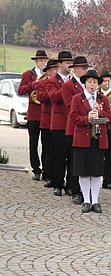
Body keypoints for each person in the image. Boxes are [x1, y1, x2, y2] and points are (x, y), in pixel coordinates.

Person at [70, 70, 111, 213]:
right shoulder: (77, 98)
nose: (92, 84)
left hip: (98, 139)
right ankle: (86, 200)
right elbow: (74, 117)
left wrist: (100, 113)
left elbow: (109, 117)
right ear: (85, 83)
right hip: (83, 138)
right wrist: (87, 118)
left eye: (94, 82)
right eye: (89, 82)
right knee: (84, 171)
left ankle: (95, 201)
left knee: (96, 171)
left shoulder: (103, 99)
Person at [61, 56, 89, 205]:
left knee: (86, 160)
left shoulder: (90, 85)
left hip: (90, 128)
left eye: (86, 68)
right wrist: (88, 115)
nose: (85, 70)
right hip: (75, 127)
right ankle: (74, 189)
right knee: (74, 160)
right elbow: (69, 107)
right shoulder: (68, 86)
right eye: (82, 68)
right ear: (74, 69)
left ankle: (87, 190)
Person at [18, 49, 49, 181]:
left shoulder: (49, 75)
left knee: (47, 144)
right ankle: (36, 169)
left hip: (46, 113)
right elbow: (21, 90)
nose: (42, 63)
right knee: (33, 143)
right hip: (34, 113)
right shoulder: (28, 74)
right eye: (40, 60)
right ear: (36, 61)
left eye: (44, 60)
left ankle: (47, 170)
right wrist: (34, 84)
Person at [46, 51, 73, 196]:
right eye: (68, 63)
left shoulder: (76, 80)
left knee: (72, 156)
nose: (70, 65)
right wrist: (67, 86)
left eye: (71, 63)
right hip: (59, 123)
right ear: (60, 64)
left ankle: (70, 184)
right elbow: (54, 97)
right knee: (59, 155)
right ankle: (57, 183)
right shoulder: (52, 81)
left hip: (72, 123)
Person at [36, 59, 58, 189]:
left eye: (57, 68)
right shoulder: (41, 83)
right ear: (48, 71)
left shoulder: (62, 83)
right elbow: (40, 97)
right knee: (48, 150)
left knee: (58, 151)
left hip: (59, 122)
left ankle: (57, 175)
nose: (56, 71)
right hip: (46, 121)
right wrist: (52, 93)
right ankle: (47, 174)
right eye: (54, 69)